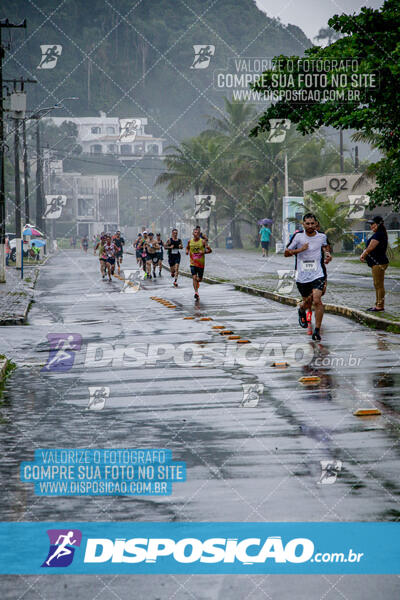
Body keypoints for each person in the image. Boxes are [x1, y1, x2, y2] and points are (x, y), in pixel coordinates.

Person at [285, 213, 331, 341]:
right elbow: (286, 253)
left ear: (316, 224)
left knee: (317, 300)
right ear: (303, 224)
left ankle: (317, 330)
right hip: (302, 275)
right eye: (308, 223)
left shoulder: (322, 236)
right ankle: (301, 310)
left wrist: (327, 254)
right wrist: (299, 250)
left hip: (318, 274)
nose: (310, 226)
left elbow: (325, 247)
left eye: (312, 223)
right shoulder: (298, 237)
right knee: (308, 302)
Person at [360, 216, 389, 312]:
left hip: (379, 262)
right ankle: (377, 304)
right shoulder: (379, 234)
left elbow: (370, 247)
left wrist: (363, 255)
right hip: (376, 263)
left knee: (379, 284)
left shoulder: (379, 235)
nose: (371, 226)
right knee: (377, 284)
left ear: (378, 224)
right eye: (371, 224)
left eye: (373, 224)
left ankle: (380, 306)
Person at [186, 225, 212, 301]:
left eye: (197, 233)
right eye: (195, 232)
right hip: (193, 263)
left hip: (201, 264)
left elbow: (210, 251)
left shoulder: (203, 242)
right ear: (193, 233)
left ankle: (198, 283)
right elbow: (187, 247)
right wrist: (187, 251)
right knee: (194, 277)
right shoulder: (190, 241)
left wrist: (204, 252)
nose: (196, 234)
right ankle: (196, 292)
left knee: (199, 279)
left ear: (199, 233)